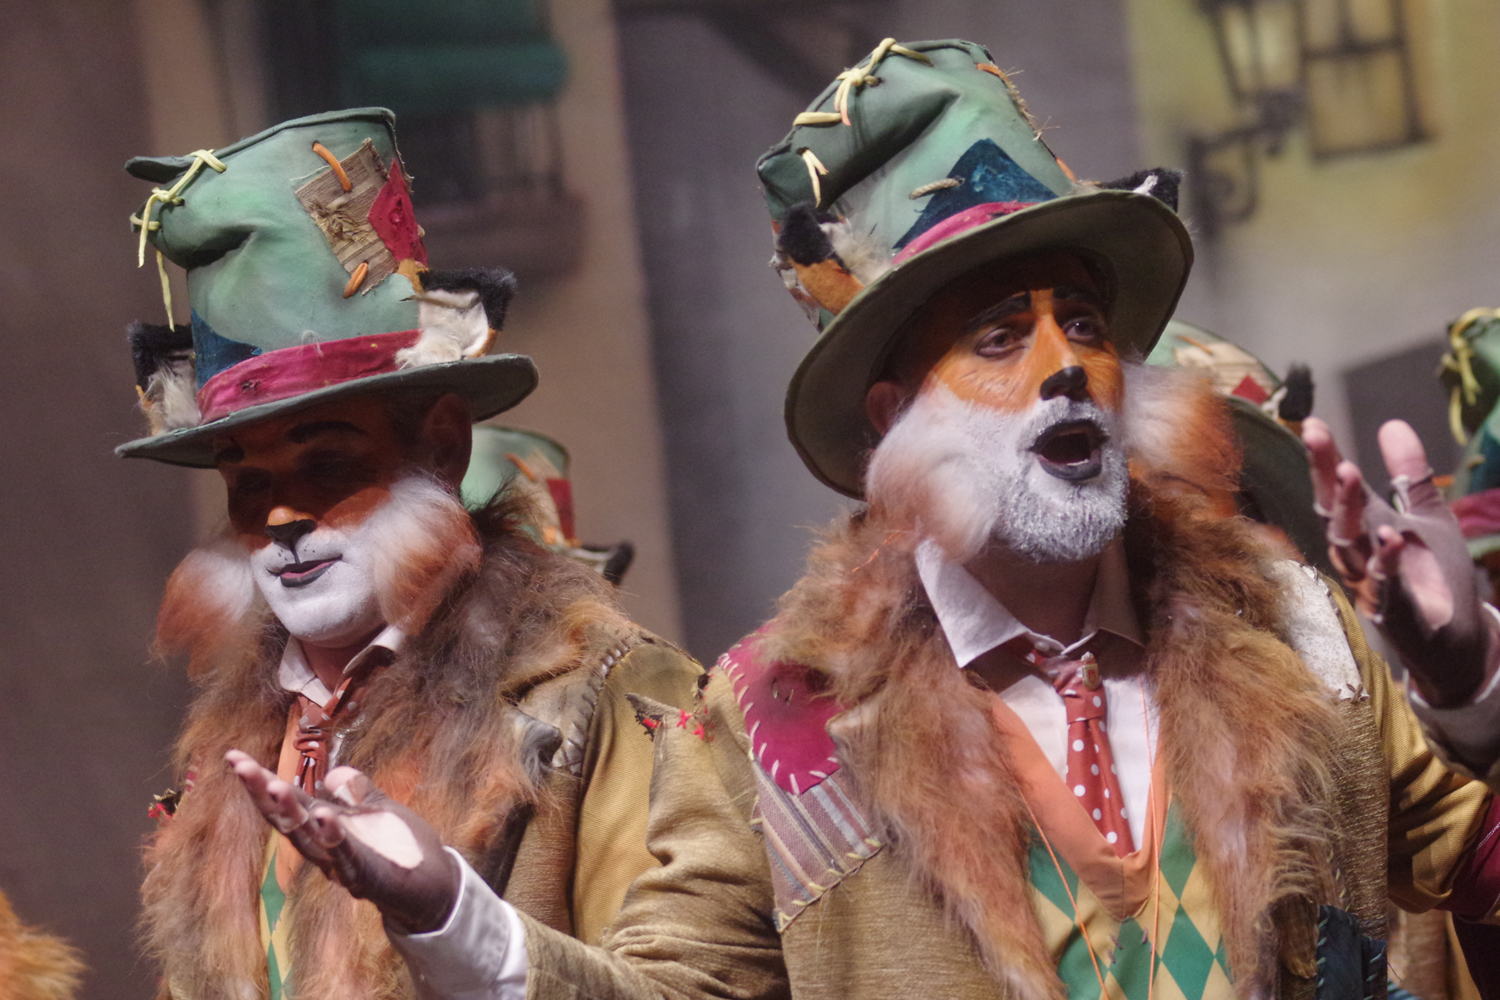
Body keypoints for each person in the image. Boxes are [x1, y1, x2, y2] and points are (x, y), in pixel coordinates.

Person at [237, 41, 1500, 1000]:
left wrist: (1474, 689)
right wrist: (450, 913)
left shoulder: (1288, 624)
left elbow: (1475, 869)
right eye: (999, 339)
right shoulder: (777, 719)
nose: (1066, 368)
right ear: (896, 424)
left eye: (1085, 324)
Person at [121, 109, 700, 999]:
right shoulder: (233, 744)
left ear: (441, 447)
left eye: (328, 463)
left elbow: (690, 982)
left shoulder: (601, 692)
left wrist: (451, 918)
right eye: (246, 480)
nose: (281, 515)